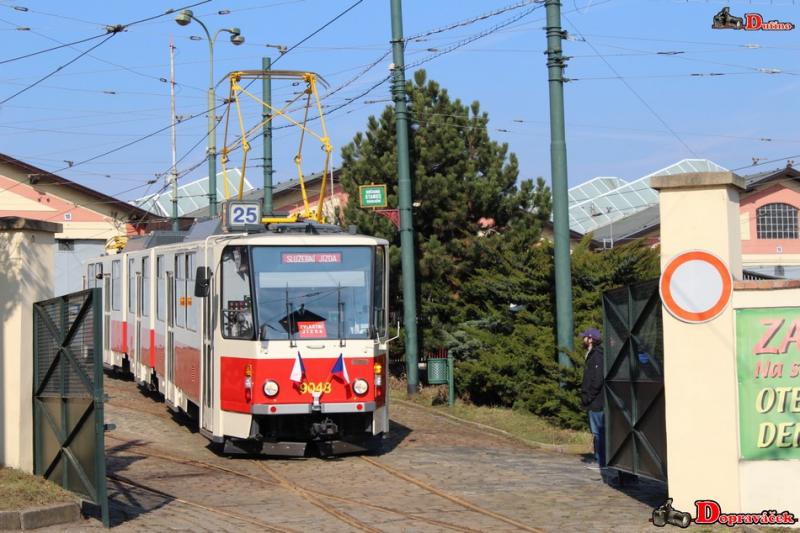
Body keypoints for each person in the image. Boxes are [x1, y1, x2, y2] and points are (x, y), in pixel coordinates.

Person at [580, 327, 605, 469]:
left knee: (598, 431)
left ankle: (601, 460)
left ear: (591, 339)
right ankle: (598, 458)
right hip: (592, 400)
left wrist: (588, 396)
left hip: (596, 401)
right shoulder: (591, 354)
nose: (582, 340)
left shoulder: (596, 355)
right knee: (596, 431)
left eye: (585, 337)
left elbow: (597, 379)